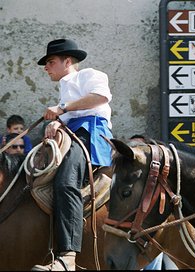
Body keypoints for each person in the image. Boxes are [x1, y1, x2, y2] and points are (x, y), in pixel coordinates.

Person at [31, 38, 113, 271]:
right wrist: (57, 123)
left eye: (50, 62)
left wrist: (63, 111)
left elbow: (100, 97)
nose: (46, 67)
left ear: (68, 61)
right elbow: (67, 113)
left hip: (92, 132)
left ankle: (67, 257)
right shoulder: (65, 89)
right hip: (74, 132)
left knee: (66, 182)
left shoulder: (90, 74)